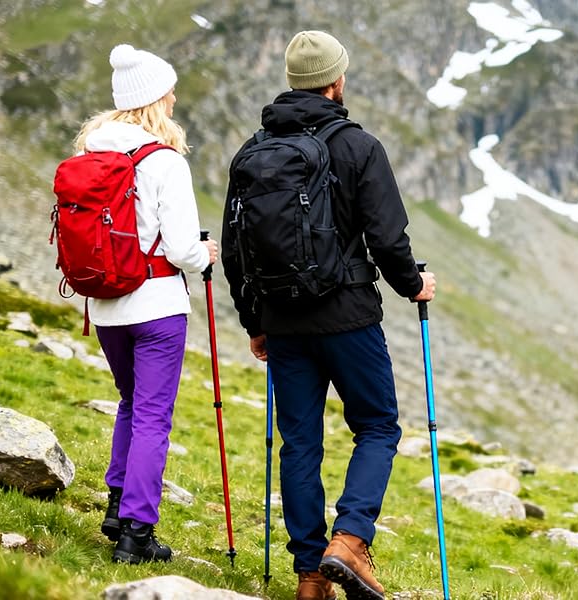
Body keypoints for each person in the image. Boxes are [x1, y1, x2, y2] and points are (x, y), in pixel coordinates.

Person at [221, 30, 436, 600]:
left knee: (300, 444)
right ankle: (351, 540)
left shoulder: (253, 151)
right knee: (378, 425)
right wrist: (414, 285)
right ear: (337, 82)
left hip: (284, 322)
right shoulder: (359, 146)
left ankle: (310, 575)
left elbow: (236, 246)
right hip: (347, 318)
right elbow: (388, 238)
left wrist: (255, 322)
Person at [71, 44, 219, 563]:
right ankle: (136, 533)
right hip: (156, 306)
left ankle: (117, 505)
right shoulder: (163, 161)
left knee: (131, 404)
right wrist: (205, 253)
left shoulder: (91, 153)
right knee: (154, 415)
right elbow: (181, 250)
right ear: (156, 98)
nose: (176, 98)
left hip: (105, 305)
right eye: (170, 90)